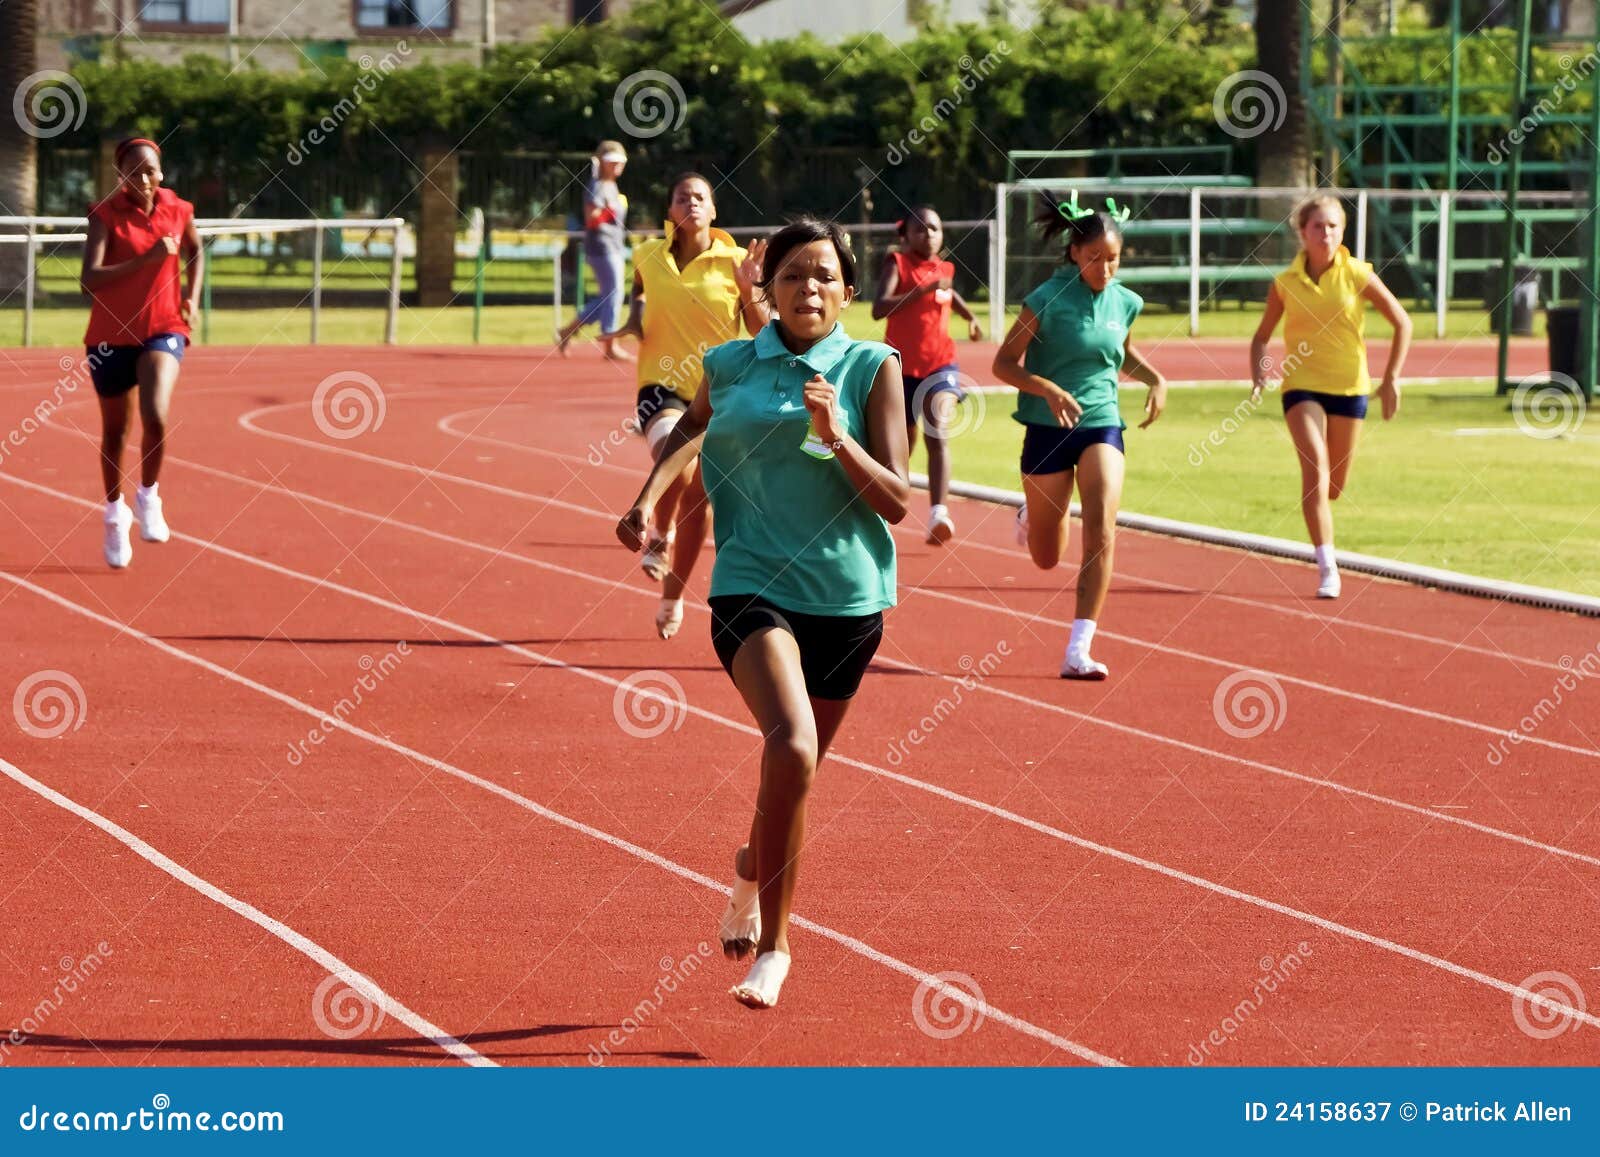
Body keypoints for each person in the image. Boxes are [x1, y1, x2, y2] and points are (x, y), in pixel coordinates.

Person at [616, 218, 909, 1009]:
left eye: (823, 276)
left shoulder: (873, 365)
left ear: (847, 290)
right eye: (791, 275)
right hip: (750, 587)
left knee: (793, 772)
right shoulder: (731, 362)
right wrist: (649, 504)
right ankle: (776, 948)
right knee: (792, 744)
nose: (807, 288)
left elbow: (898, 500)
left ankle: (749, 870)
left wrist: (838, 436)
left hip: (848, 601)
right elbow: (692, 432)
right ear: (766, 287)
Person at [991, 193, 1166, 679]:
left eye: (1113, 259)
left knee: (1102, 526)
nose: (1104, 269)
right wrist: (1045, 388)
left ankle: (1079, 648)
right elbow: (1002, 363)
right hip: (1047, 429)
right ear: (1074, 253)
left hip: (1101, 423)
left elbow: (1120, 356)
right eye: (1094, 258)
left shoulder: (1126, 302)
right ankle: (1031, 513)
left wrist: (1156, 378)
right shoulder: (1045, 299)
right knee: (1047, 557)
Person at [604, 173, 768, 638]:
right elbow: (638, 292)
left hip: (718, 392)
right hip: (660, 386)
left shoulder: (738, 260)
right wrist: (632, 323)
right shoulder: (648, 255)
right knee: (672, 453)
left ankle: (672, 594)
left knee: (702, 502)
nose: (691, 203)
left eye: (700, 197)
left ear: (714, 211)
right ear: (670, 210)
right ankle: (660, 530)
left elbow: (762, 332)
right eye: (682, 197)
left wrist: (751, 290)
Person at [1249, 193, 1412, 599]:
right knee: (1315, 472)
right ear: (1302, 233)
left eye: (1334, 226)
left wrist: (1390, 377)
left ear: (1343, 232)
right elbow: (1261, 337)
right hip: (1301, 386)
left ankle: (1324, 537)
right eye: (1318, 226)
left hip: (1350, 388)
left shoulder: (1357, 274)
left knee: (1333, 486)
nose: (1326, 234)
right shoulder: (1285, 283)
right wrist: (1259, 376)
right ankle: (1328, 568)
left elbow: (1401, 321)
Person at [80, 137, 202, 570]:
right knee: (115, 433)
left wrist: (193, 296)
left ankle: (148, 495)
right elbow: (88, 280)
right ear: (121, 177)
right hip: (110, 337)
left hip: (162, 327)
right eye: (134, 172)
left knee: (156, 414)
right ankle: (115, 514)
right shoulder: (104, 215)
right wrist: (145, 261)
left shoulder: (177, 208)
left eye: (150, 170)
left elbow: (196, 249)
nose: (144, 179)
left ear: (161, 173)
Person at [871, 205, 982, 545]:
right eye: (920, 229)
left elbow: (950, 294)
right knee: (900, 445)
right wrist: (918, 291)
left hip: (940, 364)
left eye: (934, 228)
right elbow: (879, 308)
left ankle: (939, 514)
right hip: (900, 369)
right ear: (905, 235)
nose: (929, 235)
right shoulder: (898, 264)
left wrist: (970, 318)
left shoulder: (944, 268)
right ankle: (884, 503)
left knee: (938, 428)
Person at [557, 140, 631, 359]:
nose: (617, 166)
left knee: (610, 296)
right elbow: (591, 219)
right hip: (602, 247)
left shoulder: (611, 185)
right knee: (614, 294)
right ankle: (609, 344)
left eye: (620, 162)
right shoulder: (598, 186)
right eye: (612, 162)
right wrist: (609, 211)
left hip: (614, 246)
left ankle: (568, 330)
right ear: (603, 163)